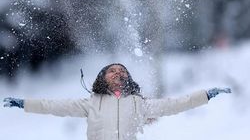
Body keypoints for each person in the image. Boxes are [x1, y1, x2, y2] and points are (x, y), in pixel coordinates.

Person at [3, 63, 231, 140]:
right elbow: (52, 106)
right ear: (102, 77)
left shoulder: (139, 103)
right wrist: (24, 103)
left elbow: (175, 103)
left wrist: (206, 95)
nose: (117, 73)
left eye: (122, 70)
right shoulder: (90, 103)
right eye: (111, 70)